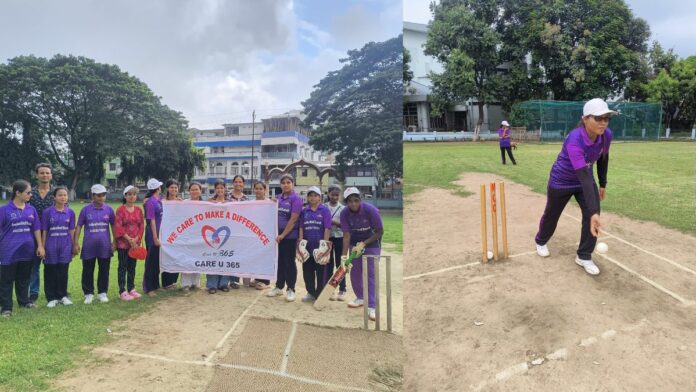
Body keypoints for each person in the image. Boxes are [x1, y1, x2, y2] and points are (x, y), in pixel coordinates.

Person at [534, 98, 614, 276]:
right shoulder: (574, 139)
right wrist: (594, 210)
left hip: (584, 180)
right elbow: (584, 175)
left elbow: (603, 159)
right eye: (598, 118)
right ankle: (540, 240)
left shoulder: (606, 135)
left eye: (606, 118)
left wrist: (603, 184)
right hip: (561, 181)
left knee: (592, 216)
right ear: (585, 119)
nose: (603, 123)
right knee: (552, 215)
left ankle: (584, 256)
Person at [0, 180, 44, 317]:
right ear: (18, 193)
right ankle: (6, 308)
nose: (30, 195)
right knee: (6, 280)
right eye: (28, 192)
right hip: (8, 252)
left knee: (24, 278)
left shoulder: (31, 209)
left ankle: (24, 302)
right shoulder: (4, 210)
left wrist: (40, 245)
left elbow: (36, 228)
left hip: (27, 251)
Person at [340, 187, 383, 321]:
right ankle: (360, 297)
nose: (353, 204)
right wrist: (343, 257)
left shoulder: (370, 210)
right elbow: (346, 236)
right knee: (355, 273)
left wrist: (364, 243)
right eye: (350, 201)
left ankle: (372, 306)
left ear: (360, 200)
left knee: (370, 275)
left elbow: (380, 231)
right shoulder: (344, 213)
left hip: (372, 243)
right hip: (354, 245)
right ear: (346, 202)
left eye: (356, 200)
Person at [74, 184, 116, 304]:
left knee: (104, 269)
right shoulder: (85, 210)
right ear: (93, 196)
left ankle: (102, 293)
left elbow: (113, 225)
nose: (101, 197)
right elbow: (79, 226)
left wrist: (115, 241)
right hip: (88, 246)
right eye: (98, 195)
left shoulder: (109, 209)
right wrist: (76, 243)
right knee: (87, 270)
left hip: (104, 246)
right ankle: (88, 293)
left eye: (103, 195)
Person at [266, 174, 302, 302]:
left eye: (288, 182)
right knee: (279, 262)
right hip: (277, 237)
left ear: (293, 184)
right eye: (283, 182)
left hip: (289, 237)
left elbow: (293, 220)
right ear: (280, 185)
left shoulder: (296, 199)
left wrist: (283, 235)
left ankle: (291, 289)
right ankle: (279, 287)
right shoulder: (277, 198)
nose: (286, 184)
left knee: (289, 263)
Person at [41, 186, 75, 307]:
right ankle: (51, 298)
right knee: (50, 271)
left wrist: (73, 245)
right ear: (54, 197)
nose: (63, 197)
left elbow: (71, 230)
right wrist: (43, 247)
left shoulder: (70, 212)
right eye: (60, 195)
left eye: (65, 195)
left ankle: (62, 296)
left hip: (65, 246)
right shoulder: (47, 212)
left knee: (63, 271)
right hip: (51, 246)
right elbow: (44, 230)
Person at [298, 186, 332, 302]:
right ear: (307, 197)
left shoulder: (325, 210)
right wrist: (300, 244)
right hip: (307, 247)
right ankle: (311, 292)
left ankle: (319, 294)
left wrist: (325, 247)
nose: (312, 197)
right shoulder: (304, 211)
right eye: (310, 195)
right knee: (307, 271)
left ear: (319, 197)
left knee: (321, 272)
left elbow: (327, 228)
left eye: (315, 195)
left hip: (320, 247)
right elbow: (301, 227)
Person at [28, 163, 54, 302]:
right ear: (37, 175)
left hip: (53, 234)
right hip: (32, 234)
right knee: (34, 265)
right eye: (42, 173)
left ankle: (56, 290)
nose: (45, 175)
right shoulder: (30, 193)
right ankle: (33, 292)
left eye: (47, 173)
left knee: (54, 264)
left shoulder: (57, 192)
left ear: (51, 175)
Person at [114, 185, 144, 301]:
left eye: (134, 194)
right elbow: (118, 226)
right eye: (129, 194)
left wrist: (137, 238)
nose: (132, 197)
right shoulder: (120, 210)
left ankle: (131, 288)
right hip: (123, 243)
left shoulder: (138, 210)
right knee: (123, 266)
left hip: (135, 244)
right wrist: (128, 239)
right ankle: (122, 290)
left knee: (132, 266)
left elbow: (141, 225)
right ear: (125, 196)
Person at [206, 180, 231, 294]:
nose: (220, 190)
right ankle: (212, 285)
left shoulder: (230, 202)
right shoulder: (209, 202)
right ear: (214, 189)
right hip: (213, 234)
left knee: (225, 259)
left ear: (225, 189)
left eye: (222, 188)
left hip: (227, 234)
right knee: (212, 258)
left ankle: (224, 283)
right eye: (218, 188)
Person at [324, 184, 347, 301]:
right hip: (327, 239)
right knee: (328, 264)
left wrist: (334, 222)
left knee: (340, 263)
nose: (334, 197)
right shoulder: (323, 207)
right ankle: (330, 289)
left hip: (339, 238)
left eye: (337, 195)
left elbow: (346, 225)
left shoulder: (343, 209)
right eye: (332, 195)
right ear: (328, 194)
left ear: (340, 196)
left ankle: (342, 289)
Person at [143, 178, 164, 296]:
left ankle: (156, 285)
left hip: (160, 234)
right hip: (152, 235)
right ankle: (148, 287)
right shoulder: (150, 202)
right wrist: (155, 238)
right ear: (157, 188)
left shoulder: (159, 200)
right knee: (150, 262)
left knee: (157, 261)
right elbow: (151, 220)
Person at [181, 182, 203, 291]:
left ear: (200, 191)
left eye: (196, 189)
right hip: (187, 236)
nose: (194, 191)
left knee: (198, 259)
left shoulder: (205, 205)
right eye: (192, 189)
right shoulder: (184, 203)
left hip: (200, 236)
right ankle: (186, 284)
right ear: (189, 191)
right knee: (186, 259)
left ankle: (195, 282)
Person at [226, 175, 247, 289]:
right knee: (228, 254)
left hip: (241, 231)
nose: (238, 184)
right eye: (236, 182)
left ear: (243, 184)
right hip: (227, 230)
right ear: (233, 183)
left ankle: (235, 280)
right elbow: (213, 203)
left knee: (238, 254)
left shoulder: (247, 199)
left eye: (240, 182)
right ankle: (227, 278)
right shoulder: (227, 196)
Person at [160, 179, 181, 289]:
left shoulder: (181, 202)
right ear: (167, 189)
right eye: (172, 187)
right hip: (166, 234)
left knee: (176, 257)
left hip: (178, 234)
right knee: (167, 256)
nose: (174, 189)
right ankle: (166, 283)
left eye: (175, 187)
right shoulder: (163, 202)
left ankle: (173, 281)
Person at [251, 181, 271, 290]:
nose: (258, 190)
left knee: (265, 256)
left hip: (266, 235)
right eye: (256, 188)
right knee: (256, 256)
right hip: (255, 234)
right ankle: (258, 278)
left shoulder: (270, 203)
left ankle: (266, 281)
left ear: (265, 190)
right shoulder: (251, 203)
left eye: (260, 189)